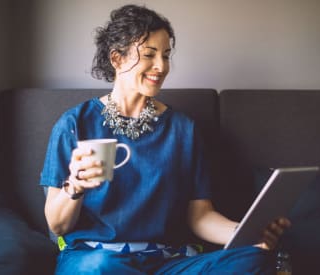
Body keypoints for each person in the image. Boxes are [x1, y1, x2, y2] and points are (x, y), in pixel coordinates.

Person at [40, 4, 290, 274]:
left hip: (167, 263)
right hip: (95, 258)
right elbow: (57, 226)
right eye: (149, 54)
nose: (161, 66)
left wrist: (248, 234)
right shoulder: (74, 124)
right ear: (117, 58)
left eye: (166, 55)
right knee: (98, 269)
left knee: (252, 258)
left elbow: (200, 216)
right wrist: (74, 186)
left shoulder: (183, 129)